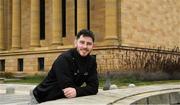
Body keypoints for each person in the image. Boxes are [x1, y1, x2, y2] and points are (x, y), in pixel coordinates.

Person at [30, 29, 99, 104]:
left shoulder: (91, 61)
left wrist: (77, 91)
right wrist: (80, 90)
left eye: (89, 44)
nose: (85, 46)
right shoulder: (64, 59)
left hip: (61, 98)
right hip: (42, 98)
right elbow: (68, 89)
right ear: (76, 43)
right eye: (82, 42)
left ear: (93, 46)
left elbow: (94, 87)